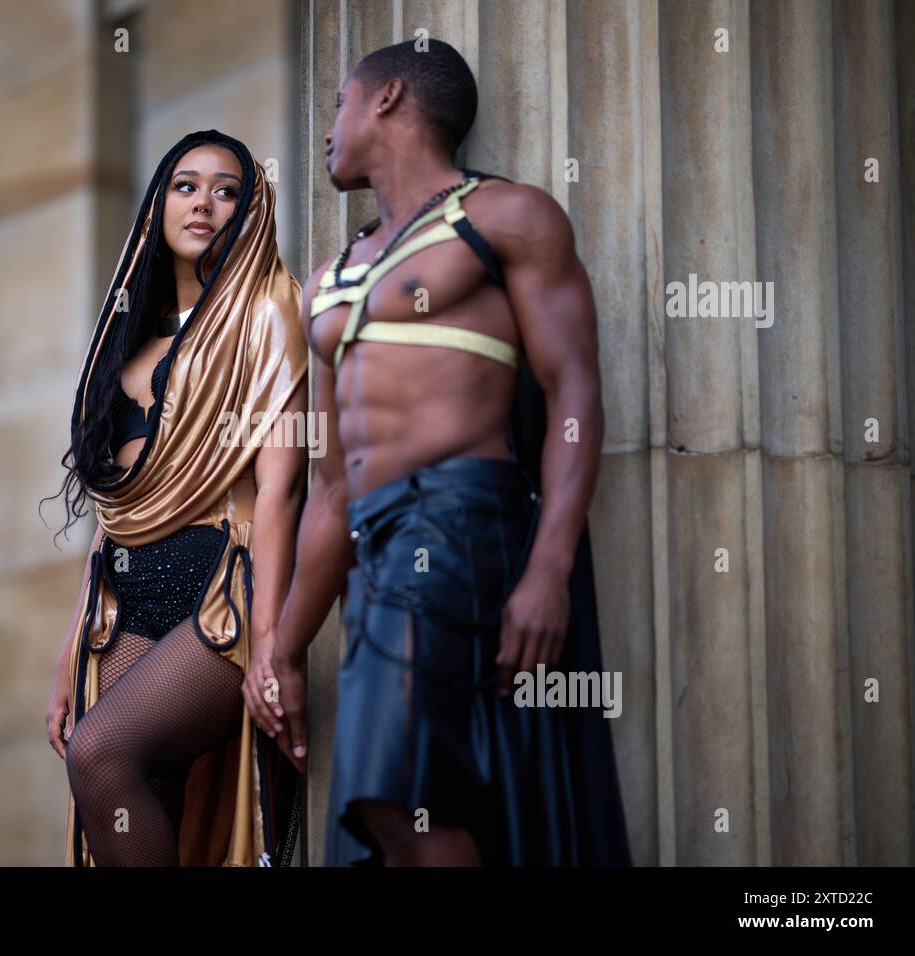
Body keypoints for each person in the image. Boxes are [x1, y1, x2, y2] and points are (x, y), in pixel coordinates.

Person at [251, 40, 631, 865]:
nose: (327, 132)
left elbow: (573, 396)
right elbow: (330, 492)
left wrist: (548, 570)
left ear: (388, 98)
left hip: (459, 520)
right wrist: (280, 645)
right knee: (392, 815)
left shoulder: (504, 217)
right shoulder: (326, 284)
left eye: (340, 104)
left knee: (393, 793)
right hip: (375, 552)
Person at [45, 130, 308, 867]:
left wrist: (273, 642)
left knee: (100, 753)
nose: (204, 203)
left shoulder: (267, 310)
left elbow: (282, 486)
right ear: (159, 202)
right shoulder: (127, 337)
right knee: (138, 790)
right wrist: (69, 655)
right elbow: (112, 516)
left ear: (250, 210)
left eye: (227, 190)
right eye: (186, 185)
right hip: (124, 595)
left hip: (221, 592)